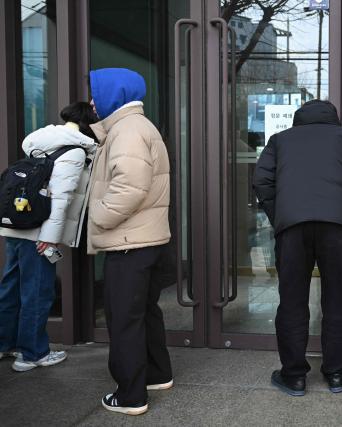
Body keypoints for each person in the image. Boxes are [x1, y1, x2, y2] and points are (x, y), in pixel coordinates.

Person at [253, 99, 342, 396]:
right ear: (333, 117)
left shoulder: (280, 140)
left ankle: (294, 376)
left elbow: (262, 181)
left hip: (292, 227)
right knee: (338, 299)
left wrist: (280, 215)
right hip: (338, 227)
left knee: (292, 300)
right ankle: (335, 374)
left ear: (298, 118)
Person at [87, 68, 172, 416]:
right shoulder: (139, 126)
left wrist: (99, 217)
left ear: (114, 93)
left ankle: (130, 396)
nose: (92, 102)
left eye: (96, 93)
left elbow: (130, 187)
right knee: (145, 313)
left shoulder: (126, 130)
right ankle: (157, 374)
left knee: (124, 320)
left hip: (128, 242)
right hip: (146, 239)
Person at [0, 102, 98, 372]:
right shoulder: (75, 150)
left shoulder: (41, 139)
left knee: (11, 286)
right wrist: (51, 238)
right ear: (88, 124)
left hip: (17, 225)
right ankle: (32, 354)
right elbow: (62, 197)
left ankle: (4, 343)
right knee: (38, 291)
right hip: (40, 232)